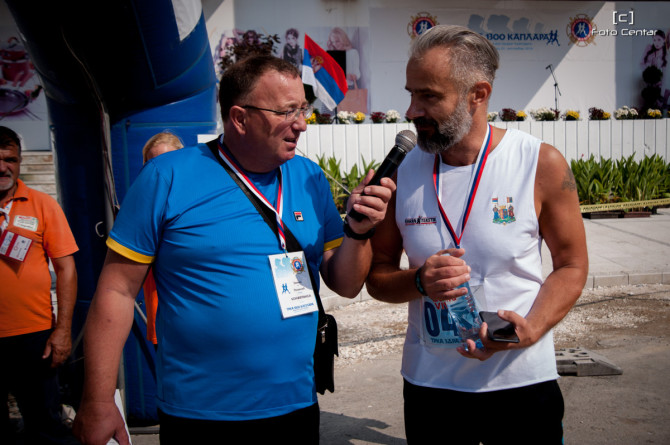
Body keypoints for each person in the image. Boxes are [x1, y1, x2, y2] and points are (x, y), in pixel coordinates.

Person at [72, 55, 394, 445]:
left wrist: (359, 231)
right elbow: (116, 290)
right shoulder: (166, 176)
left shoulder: (308, 177)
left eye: (303, 109)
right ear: (239, 118)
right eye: (286, 111)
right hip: (200, 414)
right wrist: (98, 400)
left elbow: (345, 283)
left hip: (296, 406)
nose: (301, 123)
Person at [365, 25, 588, 444]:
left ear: (477, 94)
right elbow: (377, 277)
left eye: (429, 96)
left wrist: (531, 328)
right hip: (431, 390)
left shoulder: (539, 163)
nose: (412, 110)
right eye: (411, 94)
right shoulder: (400, 172)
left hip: (522, 383)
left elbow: (572, 266)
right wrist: (419, 282)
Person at [0, 126, 80, 444]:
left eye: (10, 159)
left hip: (34, 337)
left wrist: (63, 330)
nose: (3, 167)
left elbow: (66, 269)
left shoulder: (42, 205)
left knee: (45, 427)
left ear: (19, 162)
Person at [140, 131, 184, 346]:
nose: (161, 170)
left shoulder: (200, 204)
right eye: (153, 164)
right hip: (164, 322)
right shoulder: (142, 210)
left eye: (169, 161)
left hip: (202, 322)